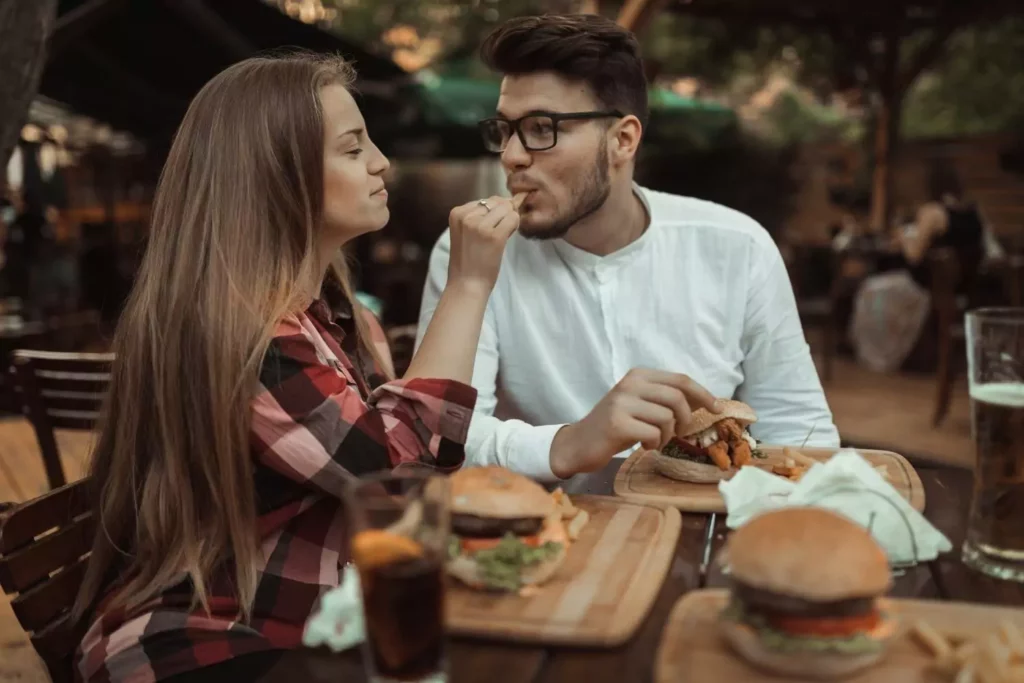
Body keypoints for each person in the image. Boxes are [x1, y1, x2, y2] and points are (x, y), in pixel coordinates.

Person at [72, 53, 521, 682]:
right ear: (275, 176)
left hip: (314, 632)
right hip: (206, 647)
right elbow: (396, 477)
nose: (381, 162)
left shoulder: (333, 319)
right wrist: (469, 284)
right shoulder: (243, 336)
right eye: (352, 147)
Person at [416, 14, 838, 487]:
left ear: (623, 139)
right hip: (544, 541)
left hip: (705, 533)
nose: (511, 155)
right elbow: (439, 442)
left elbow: (802, 435)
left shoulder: (737, 248)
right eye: (504, 129)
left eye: (541, 128)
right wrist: (573, 441)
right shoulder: (473, 252)